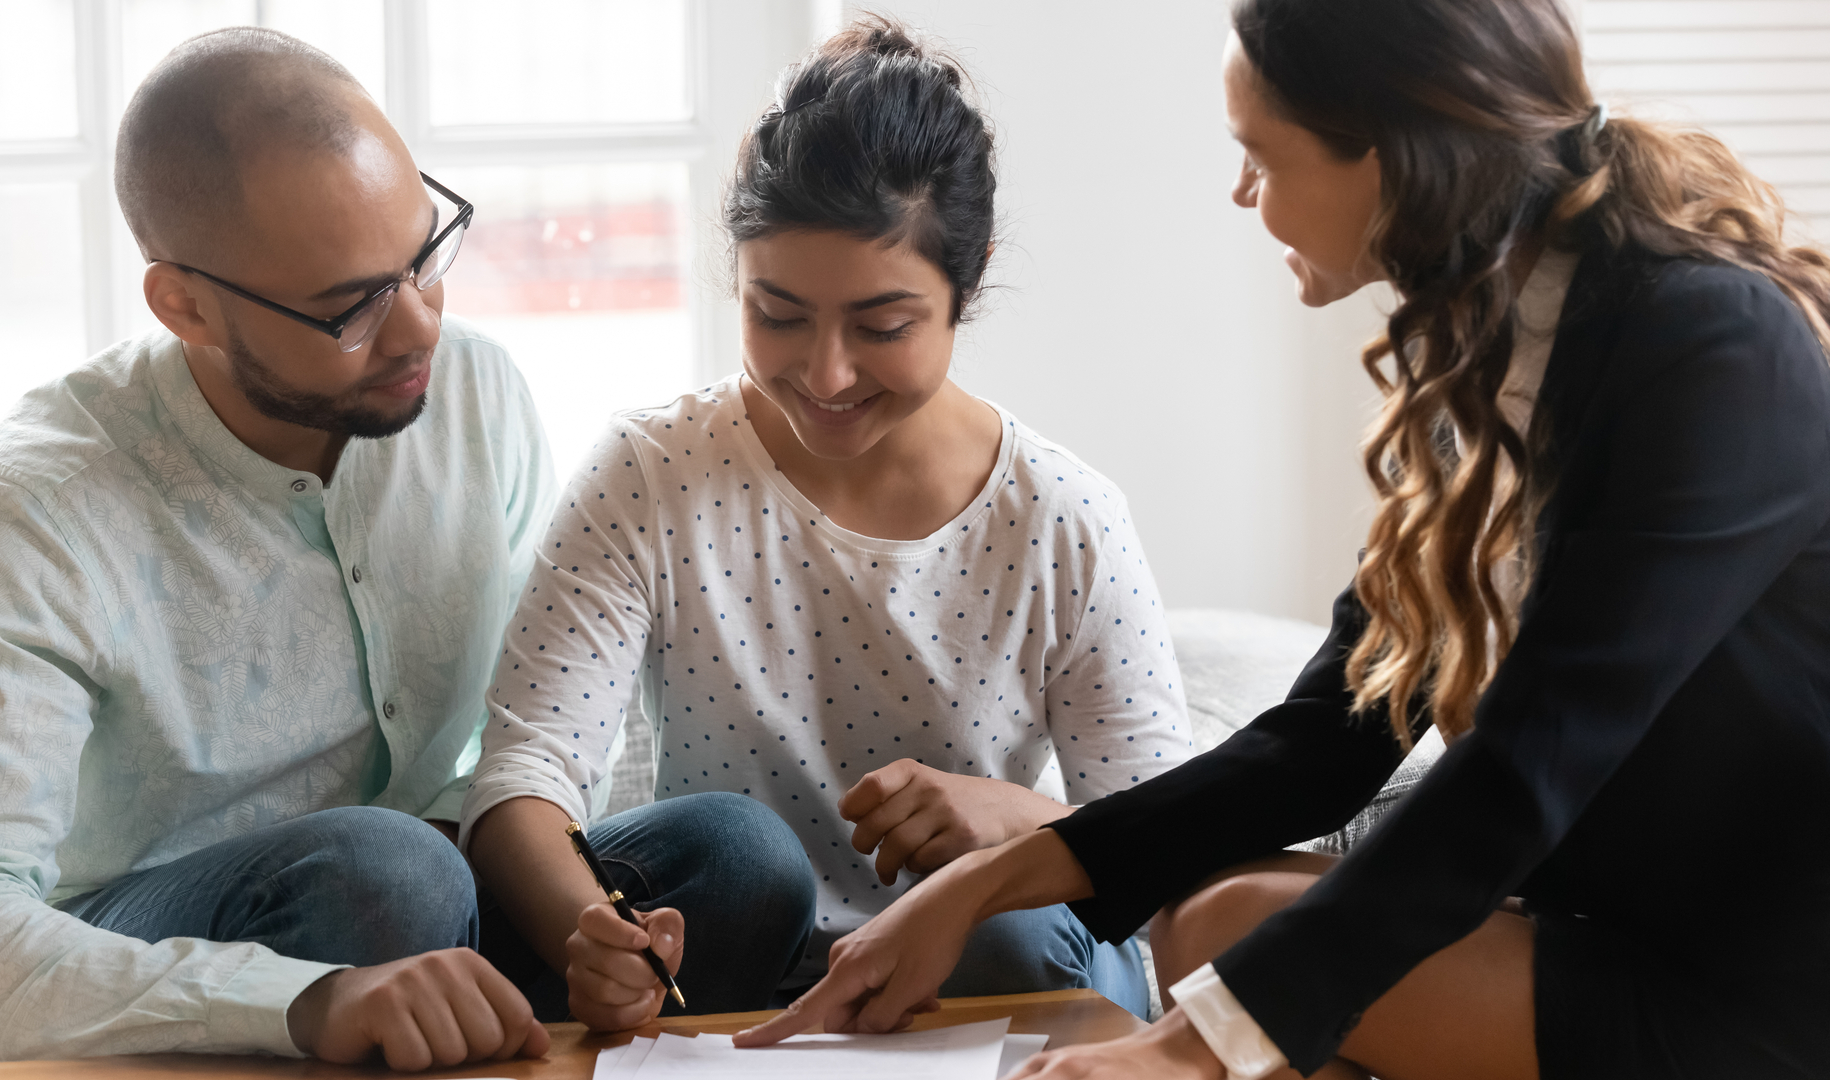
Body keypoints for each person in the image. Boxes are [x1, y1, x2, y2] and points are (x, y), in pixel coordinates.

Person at [734, 1, 1830, 1078]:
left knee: (1225, 960)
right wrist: (974, 888)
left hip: (1751, 991)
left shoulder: (1712, 346)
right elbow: (1322, 742)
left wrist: (1182, 1050)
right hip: (1600, 921)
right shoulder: (1482, 360)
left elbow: (1531, 759)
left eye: (1260, 153)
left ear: (1393, 158)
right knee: (1207, 915)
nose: (1241, 190)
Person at [461, 18, 1190, 1031]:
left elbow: (1179, 846)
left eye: (882, 327)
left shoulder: (1066, 521)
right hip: (732, 961)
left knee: (1006, 924)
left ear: (965, 280)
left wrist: (1015, 822)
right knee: (739, 853)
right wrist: (591, 927)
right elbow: (524, 772)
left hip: (978, 971)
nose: (827, 373)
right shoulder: (652, 471)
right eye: (780, 315)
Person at [0, 29, 554, 1070]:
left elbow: (519, 733)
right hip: (139, 963)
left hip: (421, 912)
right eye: (351, 306)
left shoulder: (476, 393)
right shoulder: (29, 514)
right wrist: (303, 1004)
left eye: (426, 254)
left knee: (729, 860)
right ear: (186, 306)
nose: (422, 329)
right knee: (386, 875)